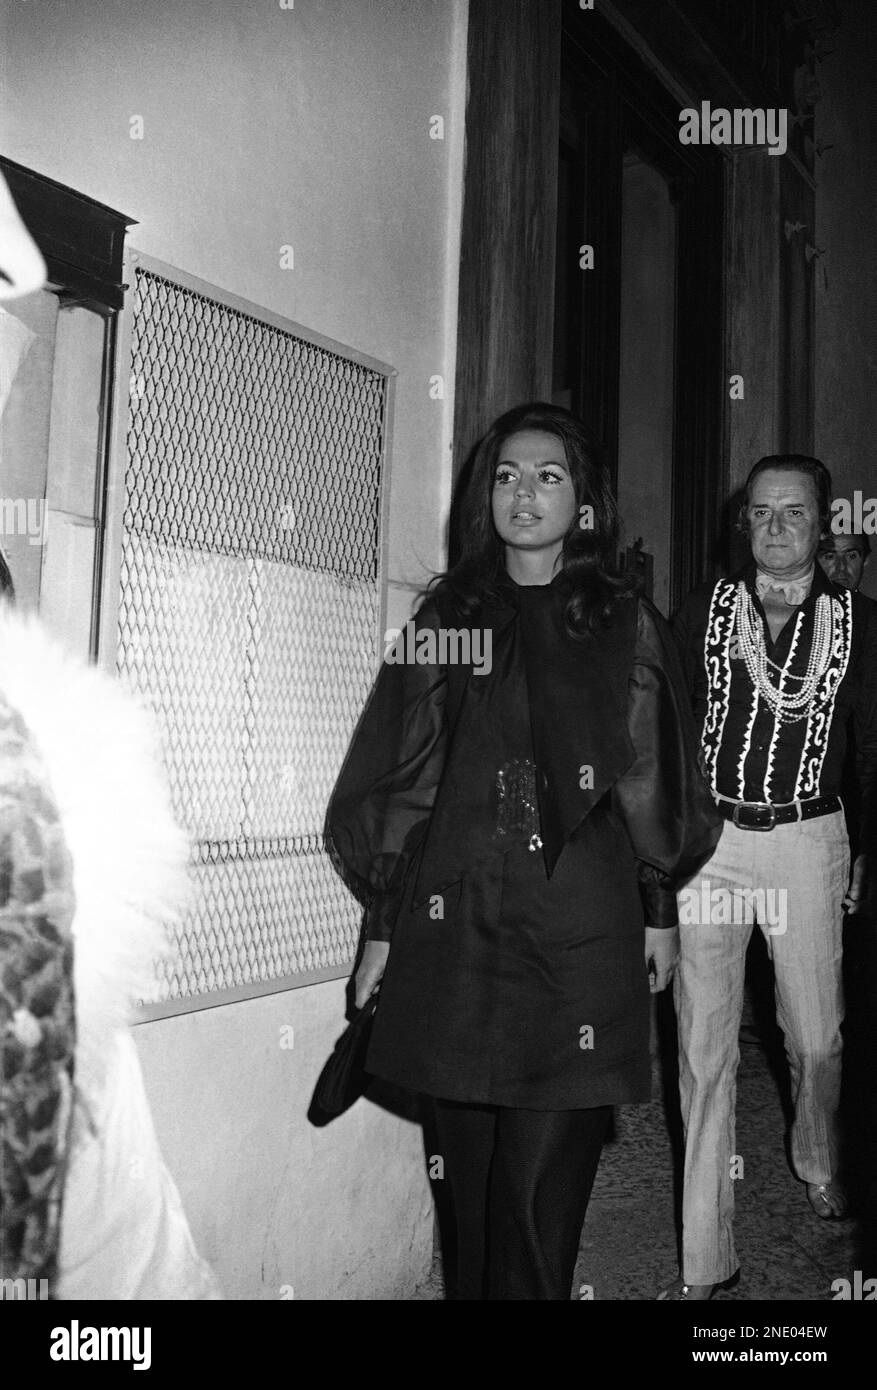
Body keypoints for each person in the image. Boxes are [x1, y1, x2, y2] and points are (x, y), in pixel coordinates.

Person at [327, 402, 721, 1300]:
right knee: (466, 1203)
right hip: (455, 927)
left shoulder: (620, 621)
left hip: (575, 935)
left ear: (584, 503)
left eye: (548, 475)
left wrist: (657, 907)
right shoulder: (453, 617)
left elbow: (654, 776)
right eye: (506, 475)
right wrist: (382, 930)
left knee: (538, 1203)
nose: (523, 493)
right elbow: (403, 780)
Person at [660, 455, 877, 1301]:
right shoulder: (706, 613)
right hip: (714, 840)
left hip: (806, 837)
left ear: (820, 523)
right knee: (701, 1048)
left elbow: (870, 744)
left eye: (792, 512)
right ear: (741, 521)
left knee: (817, 1036)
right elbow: (669, 727)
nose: (775, 526)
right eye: (759, 513)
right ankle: (704, 1259)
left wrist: (865, 846)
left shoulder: (857, 621)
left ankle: (817, 1155)